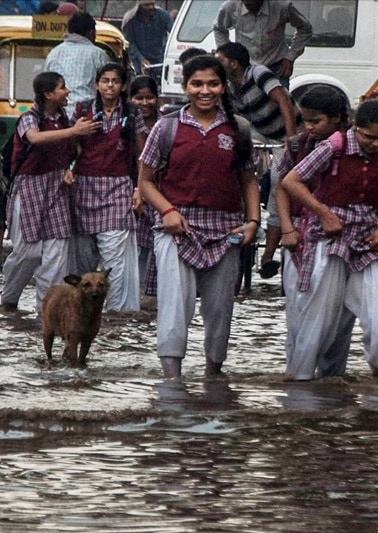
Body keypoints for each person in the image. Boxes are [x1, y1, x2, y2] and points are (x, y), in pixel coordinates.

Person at [138, 55, 260, 379]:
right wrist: (167, 211)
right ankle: (172, 381)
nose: (204, 91)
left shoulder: (239, 129)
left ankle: (212, 376)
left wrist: (253, 222)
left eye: (212, 83)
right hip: (176, 228)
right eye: (197, 84)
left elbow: (249, 180)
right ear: (185, 87)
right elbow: (145, 181)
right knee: (175, 307)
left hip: (226, 229)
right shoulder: (166, 127)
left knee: (221, 309)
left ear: (223, 87)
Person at [281, 99, 378, 382]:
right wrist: (323, 214)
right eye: (369, 137)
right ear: (355, 127)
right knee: (320, 314)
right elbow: (290, 181)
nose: (374, 144)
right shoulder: (333, 147)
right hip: (331, 239)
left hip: (368, 239)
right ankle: (301, 377)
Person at [0, 71, 101, 313]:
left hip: (56, 188)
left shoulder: (64, 118)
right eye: (62, 88)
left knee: (57, 252)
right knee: (28, 251)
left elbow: (67, 150)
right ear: (48, 94)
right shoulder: (29, 118)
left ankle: (48, 312)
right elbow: (35, 139)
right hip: (29, 187)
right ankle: (9, 297)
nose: (67, 92)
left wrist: (68, 168)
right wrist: (74, 132)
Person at [273, 85, 350, 381]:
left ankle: (329, 379)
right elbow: (282, 187)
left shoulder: (350, 146)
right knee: (297, 312)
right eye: (305, 120)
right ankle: (299, 376)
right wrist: (287, 230)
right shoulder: (297, 145)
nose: (309, 127)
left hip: (338, 241)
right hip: (301, 240)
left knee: (338, 318)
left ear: (336, 119)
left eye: (315, 121)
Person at [70, 63, 146, 312]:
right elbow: (69, 145)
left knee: (116, 260)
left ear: (123, 85)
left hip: (118, 188)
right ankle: (82, 315)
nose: (109, 85)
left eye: (115, 81)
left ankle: (118, 315)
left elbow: (141, 155)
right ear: (96, 84)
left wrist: (139, 189)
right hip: (83, 188)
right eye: (105, 80)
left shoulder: (133, 115)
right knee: (84, 259)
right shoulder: (82, 111)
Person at [216, 41, 295, 279]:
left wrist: (292, 140)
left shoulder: (258, 73)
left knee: (277, 187)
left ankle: (268, 256)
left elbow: (283, 100)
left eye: (221, 59)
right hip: (261, 135)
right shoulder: (230, 86)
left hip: (286, 134)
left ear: (233, 63)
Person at [213, 0, 312, 88]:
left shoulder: (282, 6)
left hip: (276, 66)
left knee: (280, 103)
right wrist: (228, 55)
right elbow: (219, 29)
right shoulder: (230, 7)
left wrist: (290, 57)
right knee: (246, 104)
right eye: (245, 3)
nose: (248, 4)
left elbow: (305, 28)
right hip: (245, 68)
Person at [129, 74, 161, 292]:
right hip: (132, 188)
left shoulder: (165, 124)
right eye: (138, 98)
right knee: (138, 243)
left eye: (149, 98)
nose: (144, 103)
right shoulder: (128, 123)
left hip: (159, 189)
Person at [44, 11, 109, 117]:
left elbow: (46, 83)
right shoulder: (98, 54)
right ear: (91, 33)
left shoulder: (54, 53)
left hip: (58, 114)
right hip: (88, 115)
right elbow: (107, 84)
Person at [122, 0, 173, 80]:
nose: (151, 7)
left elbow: (173, 33)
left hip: (159, 59)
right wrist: (141, 59)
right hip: (139, 62)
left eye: (152, 4)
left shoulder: (163, 16)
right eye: (147, 5)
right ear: (139, 5)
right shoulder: (129, 19)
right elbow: (130, 43)